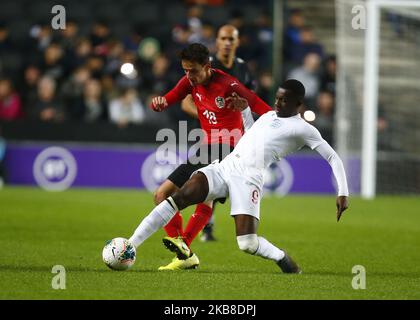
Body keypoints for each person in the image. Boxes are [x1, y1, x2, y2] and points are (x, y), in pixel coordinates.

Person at [126, 79, 349, 273]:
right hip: (226, 166)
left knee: (247, 243)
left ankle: (281, 257)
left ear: (298, 104)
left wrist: (342, 193)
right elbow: (251, 134)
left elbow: (333, 158)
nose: (276, 104)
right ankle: (130, 246)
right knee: (179, 197)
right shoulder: (270, 115)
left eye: (283, 101)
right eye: (277, 98)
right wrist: (244, 110)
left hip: (249, 178)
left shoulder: (304, 129)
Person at [149, 43, 272, 270]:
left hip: (228, 148)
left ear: (207, 66)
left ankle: (183, 246)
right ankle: (184, 250)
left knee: (164, 194)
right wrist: (160, 103)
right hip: (207, 147)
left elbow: (257, 103)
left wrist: (283, 121)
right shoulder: (189, 81)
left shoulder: (228, 83)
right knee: (183, 198)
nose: (189, 75)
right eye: (185, 70)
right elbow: (171, 97)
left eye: (193, 70)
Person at [181, 24, 257, 242]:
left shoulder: (243, 68)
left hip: (237, 138)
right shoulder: (205, 68)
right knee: (208, 181)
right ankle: (201, 231)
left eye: (231, 39)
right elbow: (186, 102)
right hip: (211, 136)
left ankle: (206, 228)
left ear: (237, 42)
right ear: (217, 41)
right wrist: (210, 116)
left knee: (221, 185)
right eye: (223, 38)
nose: (227, 43)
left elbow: (249, 101)